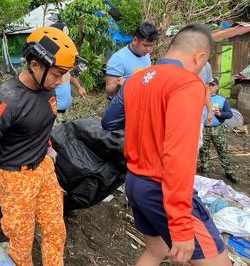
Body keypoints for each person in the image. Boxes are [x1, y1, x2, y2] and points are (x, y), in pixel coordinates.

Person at [102, 24, 231, 265]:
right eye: (203, 66)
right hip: (161, 188)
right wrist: (182, 226)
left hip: (134, 182)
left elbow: (109, 122)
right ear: (199, 56)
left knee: (155, 251)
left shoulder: (134, 80)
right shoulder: (187, 84)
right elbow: (178, 156)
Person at [0, 27, 80, 265]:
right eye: (57, 74)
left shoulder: (47, 89)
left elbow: (40, 120)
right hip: (14, 178)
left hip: (43, 168)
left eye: (64, 75)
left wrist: (46, 147)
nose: (60, 82)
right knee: (21, 243)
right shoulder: (6, 101)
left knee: (55, 231)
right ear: (35, 65)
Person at [198, 77, 240, 183]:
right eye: (208, 84)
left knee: (223, 150)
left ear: (217, 87)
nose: (210, 87)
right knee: (204, 151)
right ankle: (205, 170)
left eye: (212, 85)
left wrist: (220, 114)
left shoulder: (222, 100)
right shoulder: (200, 97)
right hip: (204, 128)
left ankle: (229, 172)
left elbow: (230, 114)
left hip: (218, 129)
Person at [105, 21, 158, 97]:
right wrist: (120, 86)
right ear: (135, 40)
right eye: (145, 45)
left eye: (151, 46)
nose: (148, 49)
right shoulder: (118, 59)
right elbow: (109, 91)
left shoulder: (145, 54)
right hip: (123, 104)